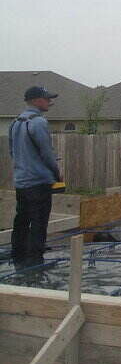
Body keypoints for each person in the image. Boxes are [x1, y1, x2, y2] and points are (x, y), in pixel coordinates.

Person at [8, 86, 61, 270]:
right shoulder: (38, 122)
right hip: (39, 183)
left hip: (22, 183)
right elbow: (47, 154)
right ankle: (35, 265)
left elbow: (12, 152)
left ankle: (17, 257)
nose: (50, 102)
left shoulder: (15, 123)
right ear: (37, 100)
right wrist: (57, 173)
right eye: (47, 99)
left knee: (21, 220)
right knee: (39, 223)